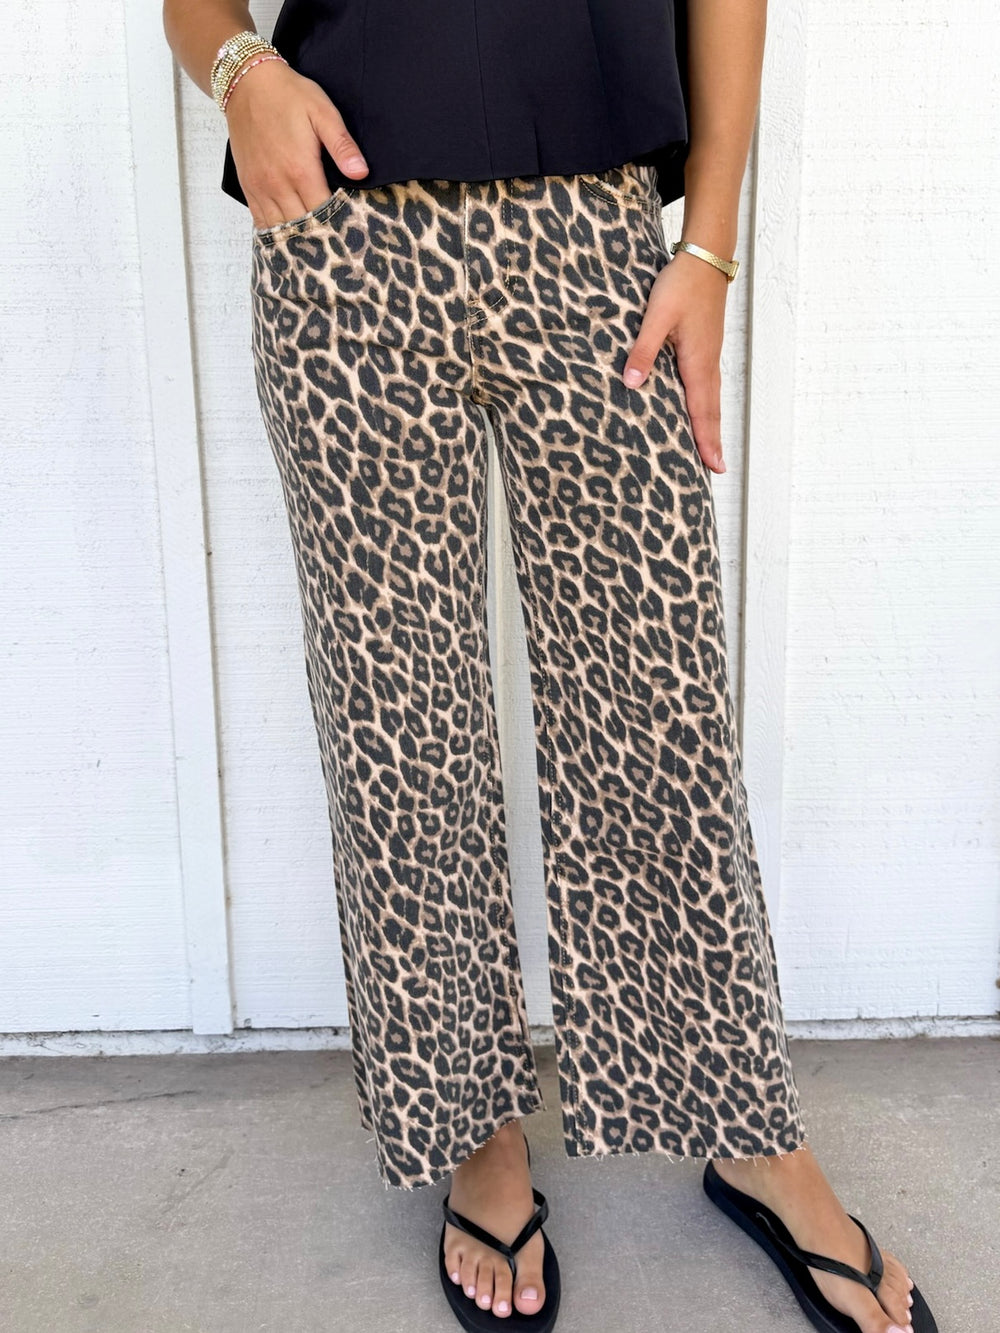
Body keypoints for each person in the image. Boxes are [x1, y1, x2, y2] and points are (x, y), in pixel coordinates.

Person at [162, 4, 935, 1332]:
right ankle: (477, 1129)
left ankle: (749, 1130)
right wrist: (240, 75)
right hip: (347, 236)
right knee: (402, 730)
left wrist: (707, 242)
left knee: (658, 710)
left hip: (594, 233)